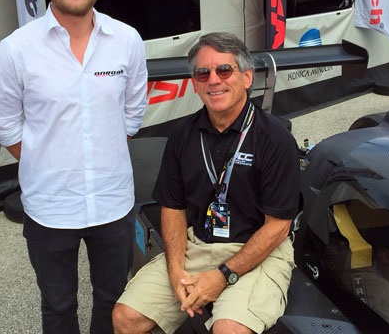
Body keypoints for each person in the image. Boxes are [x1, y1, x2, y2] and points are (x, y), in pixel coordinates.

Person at [0, 0, 148, 334]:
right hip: (49, 205)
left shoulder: (126, 40)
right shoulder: (16, 49)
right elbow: (4, 122)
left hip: (112, 201)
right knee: (58, 306)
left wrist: (104, 147)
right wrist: (43, 158)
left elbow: (133, 111)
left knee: (112, 299)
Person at [112, 32, 301, 334]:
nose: (213, 80)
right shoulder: (182, 135)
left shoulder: (275, 139)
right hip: (199, 245)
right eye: (203, 73)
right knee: (126, 318)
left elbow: (278, 227)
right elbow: (172, 208)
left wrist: (222, 275)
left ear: (247, 77)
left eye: (224, 70)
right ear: (195, 83)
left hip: (260, 252)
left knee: (228, 330)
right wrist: (176, 272)